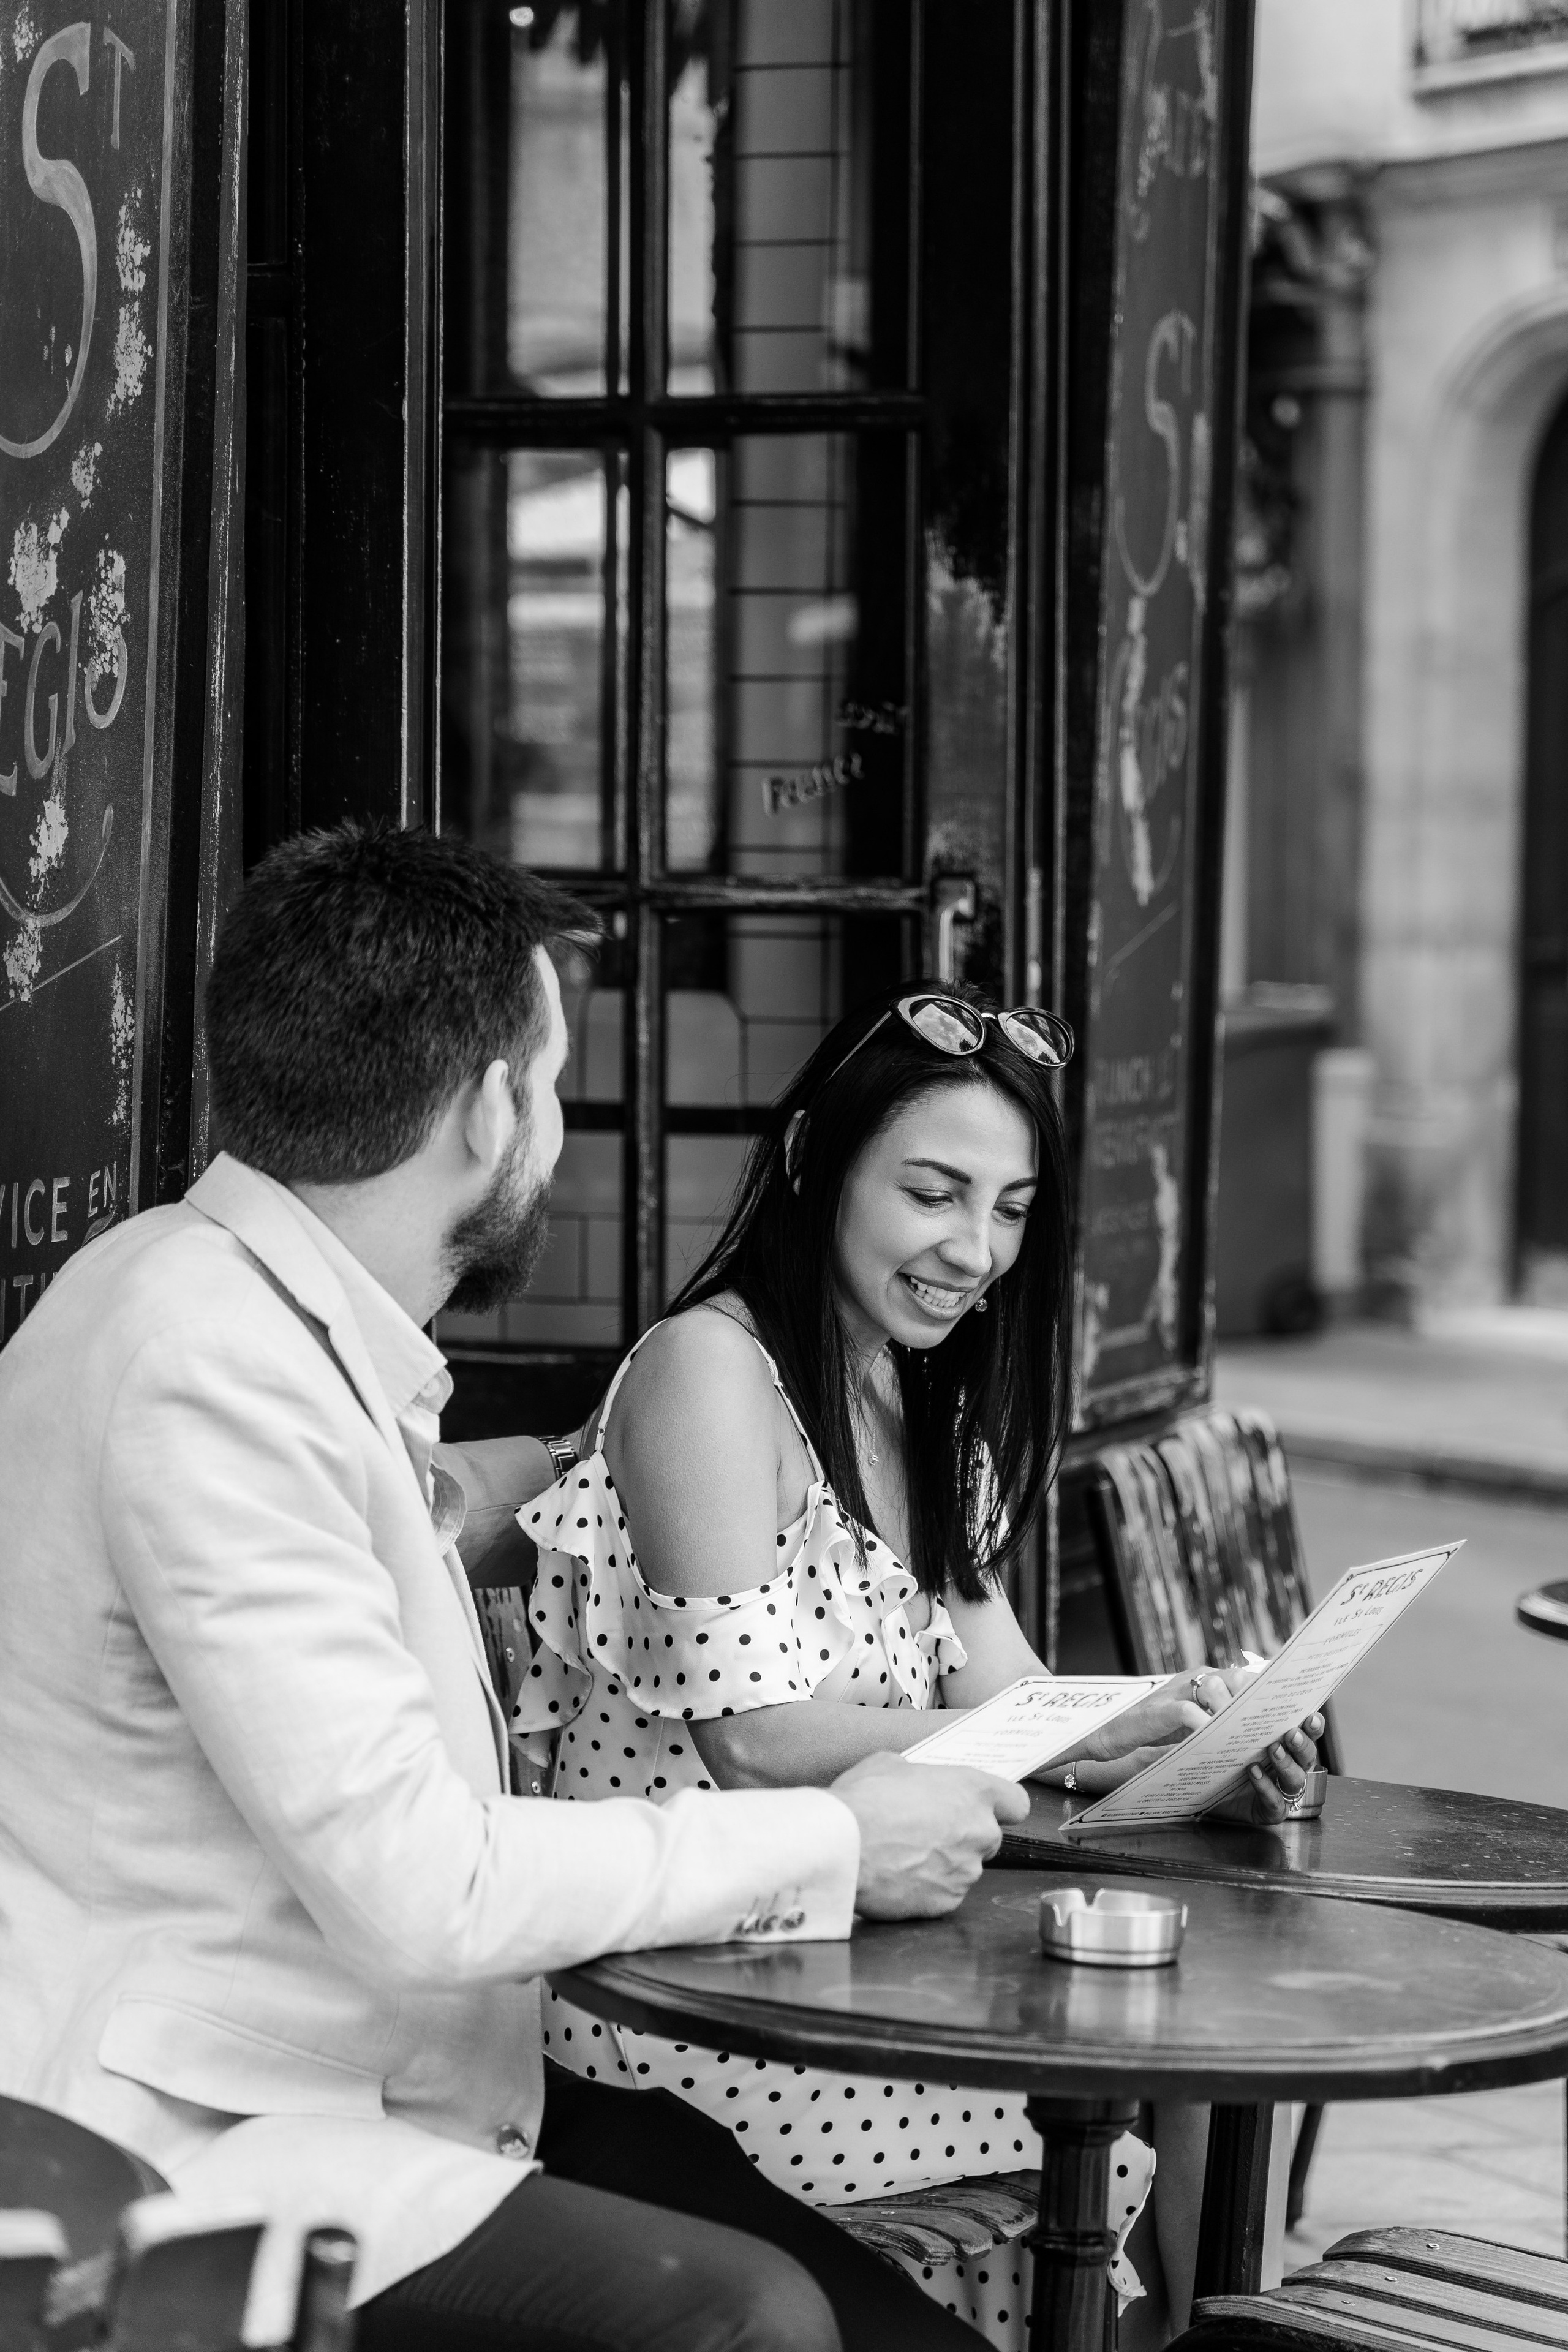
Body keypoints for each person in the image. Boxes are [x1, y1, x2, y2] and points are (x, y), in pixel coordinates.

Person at [0, 828, 1034, 2352]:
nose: (550, 1127)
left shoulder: (228, 1310)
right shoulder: (206, 1362)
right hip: (196, 2133)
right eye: (549, 1089)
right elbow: (424, 1887)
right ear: (491, 1110)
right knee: (745, 2317)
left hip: (405, 2084)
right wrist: (833, 1837)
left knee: (865, 2306)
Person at [516, 981, 1324, 2351]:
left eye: (1009, 1211)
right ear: (808, 1165)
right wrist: (1064, 1737)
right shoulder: (709, 1376)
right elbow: (755, 1738)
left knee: (1206, 2041)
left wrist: (1183, 1723)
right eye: (933, 1193)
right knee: (1158, 2065)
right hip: (692, 2011)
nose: (974, 1249)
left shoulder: (907, 1387)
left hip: (862, 1973)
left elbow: (1007, 1697)